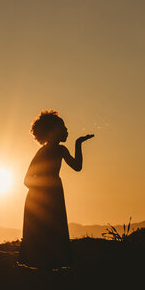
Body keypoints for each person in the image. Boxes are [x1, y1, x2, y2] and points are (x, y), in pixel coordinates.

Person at [19, 110, 94, 270]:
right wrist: (45, 190)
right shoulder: (43, 152)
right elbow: (26, 179)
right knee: (42, 234)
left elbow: (77, 167)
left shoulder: (61, 150)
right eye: (63, 127)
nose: (67, 130)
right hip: (39, 199)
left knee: (55, 230)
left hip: (54, 194)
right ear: (51, 131)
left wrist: (78, 144)